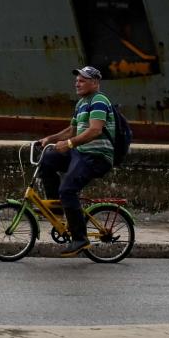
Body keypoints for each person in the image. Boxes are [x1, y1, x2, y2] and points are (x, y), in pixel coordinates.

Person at [35, 65, 115, 257]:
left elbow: (95, 130)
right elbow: (71, 130)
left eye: (82, 80)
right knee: (47, 159)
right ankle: (57, 208)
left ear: (95, 83)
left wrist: (69, 144)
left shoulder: (99, 100)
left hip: (96, 156)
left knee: (68, 189)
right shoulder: (81, 104)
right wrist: (50, 139)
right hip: (80, 153)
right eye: (77, 80)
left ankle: (80, 239)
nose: (77, 83)